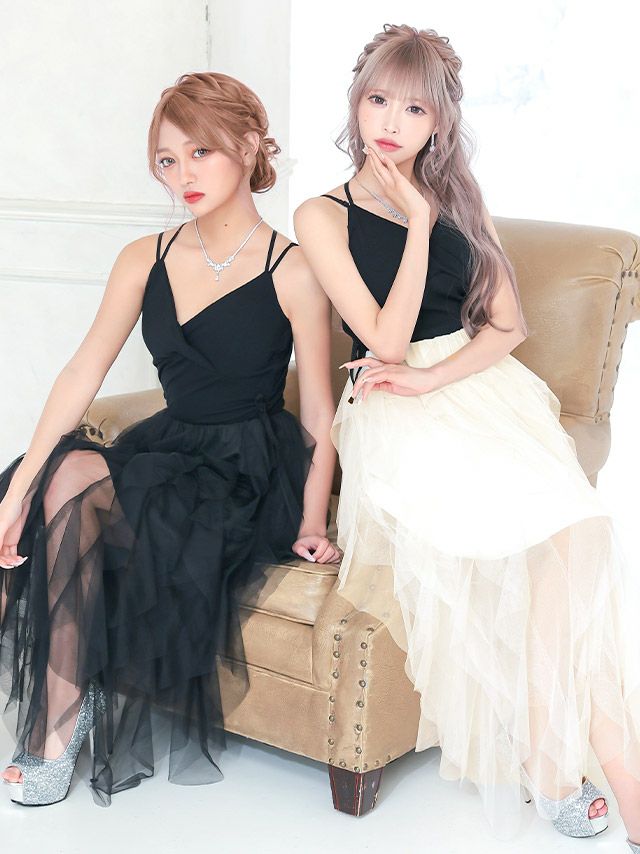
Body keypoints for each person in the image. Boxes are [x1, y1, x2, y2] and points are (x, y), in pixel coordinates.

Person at [294, 23, 640, 846]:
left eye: (415, 108)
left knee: (578, 531)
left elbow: (508, 327)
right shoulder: (321, 214)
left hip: (475, 392)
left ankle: (561, 758)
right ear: (355, 101)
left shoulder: (457, 198)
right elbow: (384, 342)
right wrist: (416, 225)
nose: (391, 122)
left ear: (440, 122)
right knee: (549, 541)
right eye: (379, 99)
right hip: (392, 410)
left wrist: (435, 374)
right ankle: (610, 776)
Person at [0, 71, 339, 807]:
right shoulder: (143, 258)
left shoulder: (294, 269)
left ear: (248, 147)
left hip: (248, 468)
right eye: (166, 159)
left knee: (82, 491)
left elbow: (320, 410)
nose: (182, 175)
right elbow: (81, 371)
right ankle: (67, 702)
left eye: (200, 153)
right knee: (57, 476)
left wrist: (313, 522)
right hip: (169, 448)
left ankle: (59, 717)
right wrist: (18, 490)